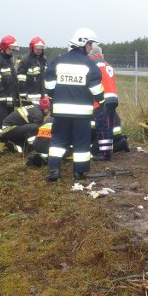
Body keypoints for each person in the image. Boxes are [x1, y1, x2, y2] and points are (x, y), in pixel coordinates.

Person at [44, 28, 104, 181]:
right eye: (90, 44)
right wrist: (102, 102)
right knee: (81, 142)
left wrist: (51, 96)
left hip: (61, 111)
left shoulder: (58, 60)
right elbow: (96, 88)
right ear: (83, 43)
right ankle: (79, 173)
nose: (91, 48)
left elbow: (49, 83)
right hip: (82, 114)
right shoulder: (88, 64)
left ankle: (54, 171)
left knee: (58, 140)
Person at [0, 35, 20, 153]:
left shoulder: (9, 59)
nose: (12, 51)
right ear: (4, 47)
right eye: (10, 49)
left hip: (8, 98)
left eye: (13, 49)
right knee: (0, 121)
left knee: (9, 121)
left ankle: (5, 141)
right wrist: (2, 95)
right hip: (0, 98)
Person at [89, 44, 119, 161]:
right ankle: (108, 150)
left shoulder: (92, 64)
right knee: (110, 125)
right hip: (113, 98)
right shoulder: (107, 65)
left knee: (102, 126)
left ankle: (105, 153)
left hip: (102, 100)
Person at [17, 37, 47, 104]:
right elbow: (21, 78)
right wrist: (23, 93)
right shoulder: (25, 59)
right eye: (37, 48)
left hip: (41, 96)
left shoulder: (43, 59)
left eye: (40, 48)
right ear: (32, 48)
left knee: (40, 114)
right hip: (29, 97)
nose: (39, 50)